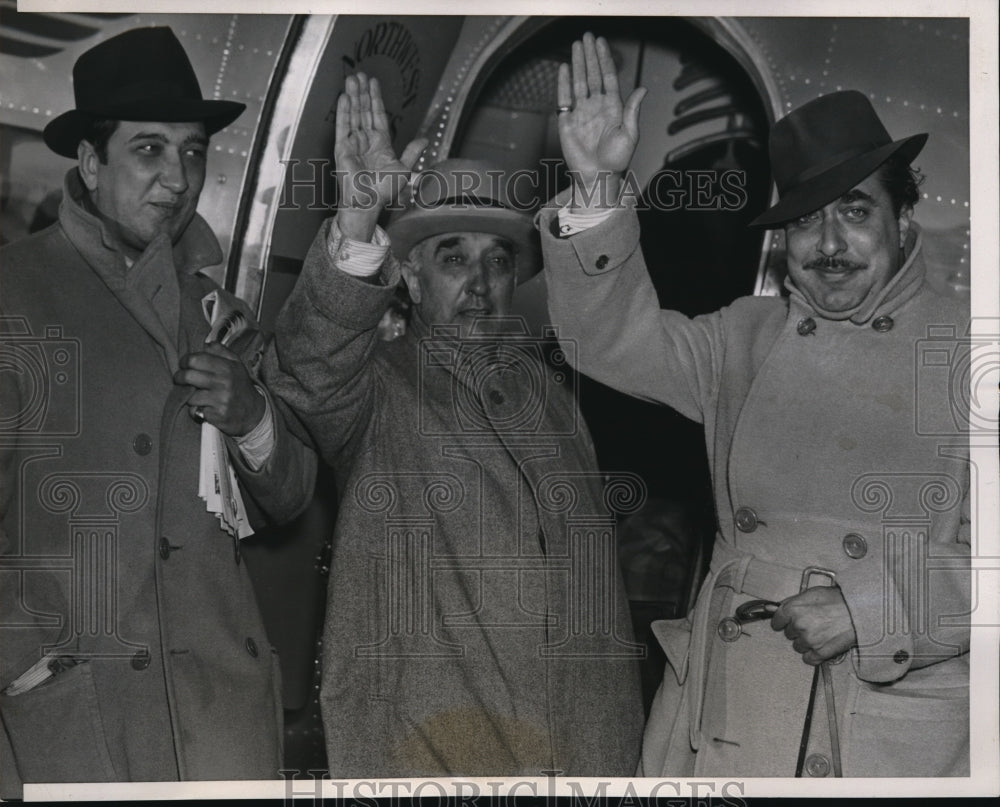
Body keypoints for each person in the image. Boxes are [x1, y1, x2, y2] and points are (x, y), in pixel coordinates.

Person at [539, 33, 970, 777]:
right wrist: (597, 190)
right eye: (805, 219)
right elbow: (606, 341)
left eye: (855, 212)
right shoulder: (744, 334)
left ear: (903, 224)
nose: (828, 241)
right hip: (735, 715)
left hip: (887, 727)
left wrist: (872, 608)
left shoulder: (970, 354)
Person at [262, 72, 643, 777]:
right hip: (431, 752)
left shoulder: (553, 402)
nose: (480, 280)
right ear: (407, 275)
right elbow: (308, 363)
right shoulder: (376, 387)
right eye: (453, 256)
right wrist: (356, 219)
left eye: (498, 260)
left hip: (582, 753)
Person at [0, 27, 316, 795]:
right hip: (82, 713)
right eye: (149, 151)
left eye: (194, 151)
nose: (179, 178)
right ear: (90, 161)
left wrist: (253, 418)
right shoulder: (16, 293)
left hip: (218, 718)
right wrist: (23, 663)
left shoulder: (216, 307)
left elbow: (292, 495)